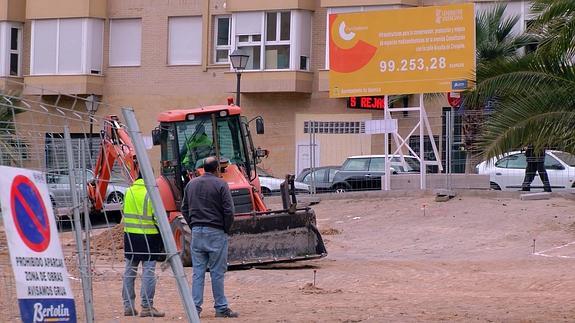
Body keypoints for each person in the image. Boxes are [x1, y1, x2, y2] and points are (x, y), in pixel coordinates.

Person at [181, 156, 238, 318]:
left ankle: (195, 309)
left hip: (197, 233)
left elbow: (184, 208)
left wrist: (193, 225)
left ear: (203, 168)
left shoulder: (191, 184)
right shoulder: (221, 184)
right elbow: (229, 211)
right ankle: (220, 307)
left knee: (198, 272)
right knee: (217, 272)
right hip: (216, 232)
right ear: (217, 169)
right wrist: (225, 229)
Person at [122, 173, 165, 317]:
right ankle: (147, 307)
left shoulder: (128, 191)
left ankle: (128, 306)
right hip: (149, 238)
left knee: (129, 272)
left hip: (130, 237)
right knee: (148, 273)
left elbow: (124, 212)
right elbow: (158, 218)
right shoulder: (151, 193)